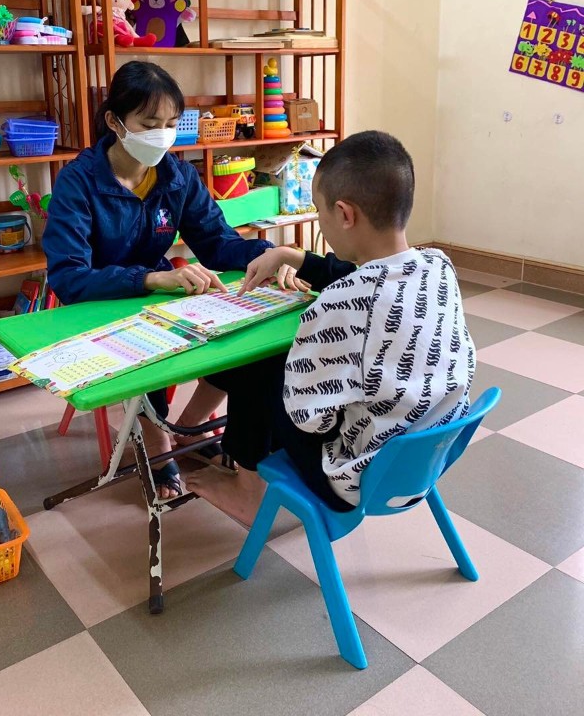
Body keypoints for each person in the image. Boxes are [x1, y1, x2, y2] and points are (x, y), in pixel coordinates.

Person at [188, 131, 476, 525]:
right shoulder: (438, 266)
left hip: (354, 477)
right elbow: (364, 274)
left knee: (261, 366)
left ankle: (245, 492)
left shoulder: (342, 302)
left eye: (319, 212)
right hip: (427, 456)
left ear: (343, 214)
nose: (321, 223)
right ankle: (197, 430)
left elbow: (308, 417)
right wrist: (292, 256)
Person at [42, 61, 288, 499]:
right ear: (114, 121)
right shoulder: (79, 182)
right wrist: (153, 279)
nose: (163, 135)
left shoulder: (176, 176)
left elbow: (217, 242)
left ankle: (190, 425)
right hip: (95, 301)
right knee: (147, 353)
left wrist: (273, 256)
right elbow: (69, 277)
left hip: (154, 290)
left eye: (172, 124)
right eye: (150, 124)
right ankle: (157, 446)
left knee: (244, 337)